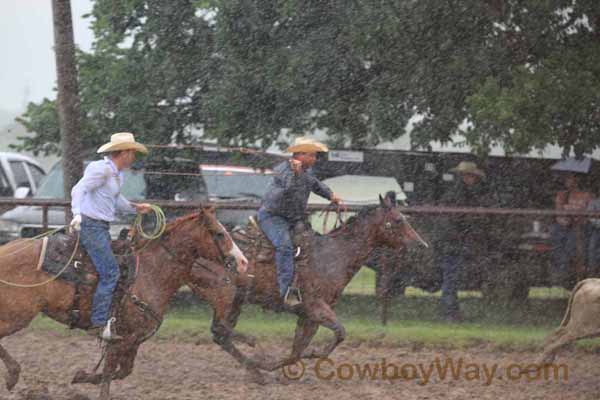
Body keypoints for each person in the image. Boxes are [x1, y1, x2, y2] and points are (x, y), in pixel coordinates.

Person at [70, 132, 152, 340]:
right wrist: (77, 213)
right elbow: (79, 188)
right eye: (132, 153)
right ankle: (98, 322)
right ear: (123, 152)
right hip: (91, 225)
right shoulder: (101, 170)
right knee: (110, 272)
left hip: (100, 227)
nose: (134, 157)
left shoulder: (116, 174)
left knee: (111, 269)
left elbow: (115, 198)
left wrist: (135, 208)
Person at [258, 137, 341, 306]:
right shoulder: (283, 170)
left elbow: (317, 185)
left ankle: (310, 285)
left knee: (313, 245)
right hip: (273, 217)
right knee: (284, 246)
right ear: (300, 155)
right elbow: (288, 189)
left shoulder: (306, 172)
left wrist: (331, 195)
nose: (314, 159)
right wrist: (295, 174)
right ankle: (286, 291)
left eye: (315, 156)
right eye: (312, 156)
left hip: (293, 219)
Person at [435, 161, 493, 322]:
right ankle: (450, 312)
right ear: (466, 176)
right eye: (471, 176)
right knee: (451, 278)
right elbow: (458, 219)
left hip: (454, 240)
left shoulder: (459, 193)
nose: (473, 179)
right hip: (454, 241)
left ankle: (451, 311)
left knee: (451, 277)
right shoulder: (460, 194)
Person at [550, 172, 593, 284]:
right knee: (556, 236)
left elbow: (589, 215)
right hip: (564, 227)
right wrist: (565, 221)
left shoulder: (587, 195)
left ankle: (565, 272)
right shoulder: (561, 195)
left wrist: (576, 218)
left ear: (577, 180)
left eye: (570, 178)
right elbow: (558, 213)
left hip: (580, 227)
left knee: (572, 242)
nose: (568, 181)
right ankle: (561, 270)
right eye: (567, 178)